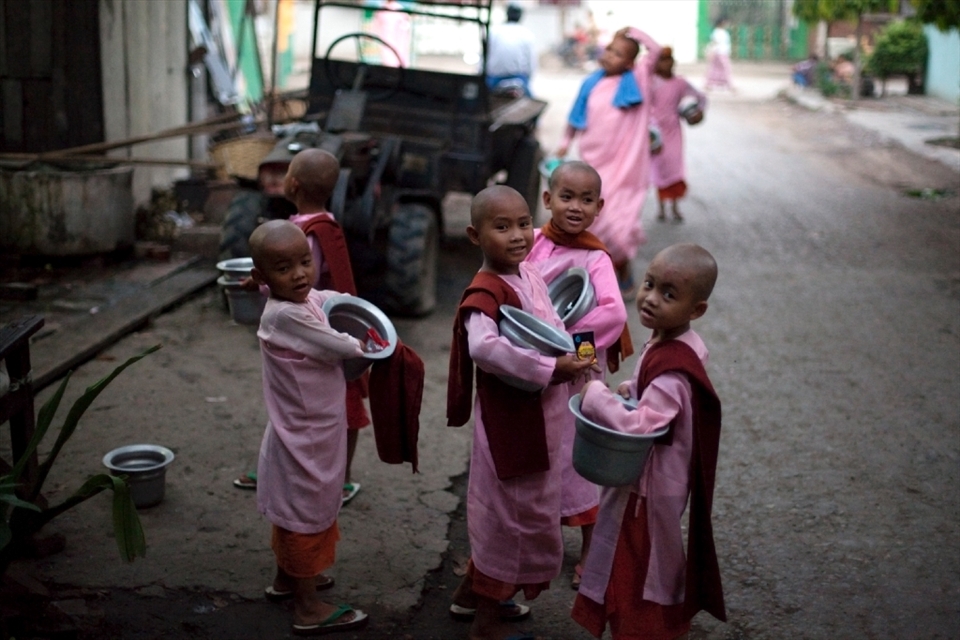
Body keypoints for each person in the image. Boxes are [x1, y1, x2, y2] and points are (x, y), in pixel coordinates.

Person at [447, 185, 596, 640]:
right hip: (512, 422)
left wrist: (581, 363)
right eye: (501, 227)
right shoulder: (485, 294)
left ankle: (471, 596)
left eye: (522, 224)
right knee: (511, 519)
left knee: (518, 512)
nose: (517, 236)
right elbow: (485, 349)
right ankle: (486, 625)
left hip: (543, 415)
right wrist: (553, 368)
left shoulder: (527, 275)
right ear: (475, 235)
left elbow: (552, 324)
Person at [570, 243, 726, 640]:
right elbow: (652, 396)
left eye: (668, 294)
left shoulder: (674, 372)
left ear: (697, 310)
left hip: (647, 494)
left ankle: (643, 632)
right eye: (649, 284)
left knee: (636, 571)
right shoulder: (674, 343)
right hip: (646, 486)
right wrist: (630, 387)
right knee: (631, 565)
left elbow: (641, 425)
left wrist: (596, 396)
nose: (651, 299)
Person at [248, 220, 370, 635]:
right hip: (306, 439)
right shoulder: (284, 315)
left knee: (293, 507)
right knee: (306, 514)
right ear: (263, 279)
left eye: (305, 261)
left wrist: (349, 302)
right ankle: (308, 607)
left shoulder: (298, 300)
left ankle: (288, 580)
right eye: (285, 268)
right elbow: (342, 345)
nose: (300, 274)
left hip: (307, 431)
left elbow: (325, 297)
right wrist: (371, 344)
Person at [234, 149, 369, 507]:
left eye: (302, 263)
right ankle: (287, 469)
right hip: (311, 331)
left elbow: (299, 282)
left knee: (344, 403)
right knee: (294, 408)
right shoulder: (317, 223)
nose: (298, 270)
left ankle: (341, 478)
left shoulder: (308, 232)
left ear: (290, 184)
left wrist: (360, 346)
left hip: (317, 328)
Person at [525, 161, 633, 590]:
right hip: (538, 362)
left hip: (577, 362)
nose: (575, 207)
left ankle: (592, 549)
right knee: (544, 453)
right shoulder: (532, 243)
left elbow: (612, 312)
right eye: (566, 197)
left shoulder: (595, 256)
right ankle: (533, 543)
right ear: (548, 200)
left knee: (579, 459)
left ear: (599, 207)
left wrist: (570, 347)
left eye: (586, 200)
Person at [556, 27, 662, 299]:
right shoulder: (591, 83)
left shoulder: (638, 80)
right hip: (594, 167)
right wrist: (565, 143)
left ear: (629, 63)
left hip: (626, 171)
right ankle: (598, 280)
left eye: (617, 53)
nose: (609, 56)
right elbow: (574, 118)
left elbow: (657, 53)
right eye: (609, 49)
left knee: (619, 229)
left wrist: (637, 34)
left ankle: (623, 269)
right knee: (593, 223)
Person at [649, 47, 707, 223]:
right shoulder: (651, 82)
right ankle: (661, 208)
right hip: (655, 131)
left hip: (674, 130)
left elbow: (701, 97)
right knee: (660, 167)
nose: (667, 63)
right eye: (662, 60)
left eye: (669, 59)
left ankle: (675, 207)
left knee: (675, 167)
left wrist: (697, 113)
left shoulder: (680, 83)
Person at [486, 3, 536, 96]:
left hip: (495, 79)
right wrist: (529, 79)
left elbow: (485, 56)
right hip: (519, 79)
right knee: (531, 101)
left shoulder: (494, 32)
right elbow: (531, 63)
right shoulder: (527, 34)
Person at [704, 18, 735, 92]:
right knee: (726, 68)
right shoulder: (717, 32)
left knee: (716, 68)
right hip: (719, 53)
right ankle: (730, 84)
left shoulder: (723, 32)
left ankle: (709, 84)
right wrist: (710, 51)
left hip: (722, 52)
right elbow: (715, 42)